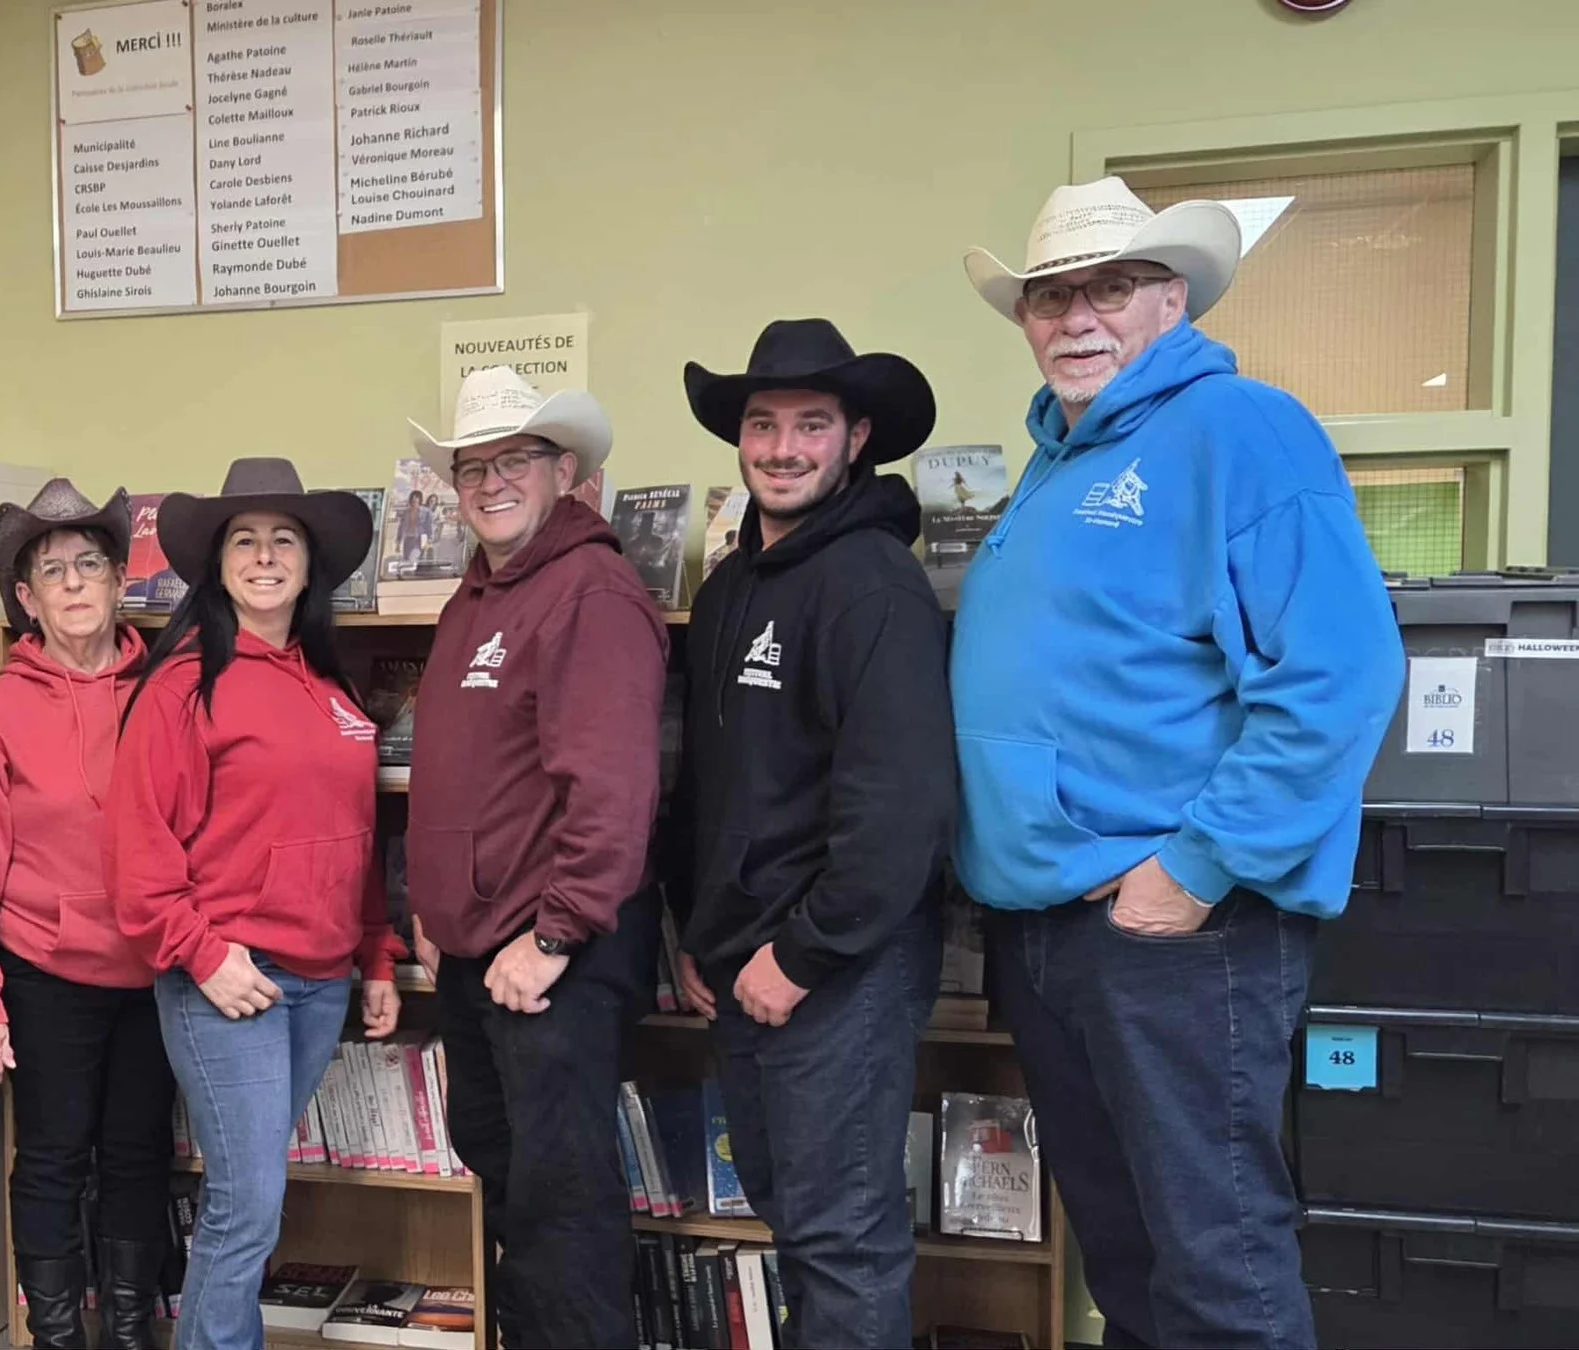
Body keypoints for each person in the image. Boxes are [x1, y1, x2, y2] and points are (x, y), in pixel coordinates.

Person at [954, 177, 1404, 1349]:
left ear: (1173, 297)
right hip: (1054, 926)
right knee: (1130, 1263)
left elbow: (1340, 674)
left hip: (1171, 931)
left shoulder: (1241, 427)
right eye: (1049, 296)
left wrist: (1195, 870)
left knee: (1218, 1271)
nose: (1075, 317)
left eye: (1109, 288)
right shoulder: (1056, 458)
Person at [667, 320, 958, 1348]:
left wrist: (801, 955)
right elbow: (710, 786)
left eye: (810, 424)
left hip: (835, 970)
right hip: (742, 963)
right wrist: (695, 931)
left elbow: (901, 805)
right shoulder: (727, 590)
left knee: (843, 1243)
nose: (782, 447)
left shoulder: (874, 584)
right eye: (763, 424)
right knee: (793, 1219)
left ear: (855, 437)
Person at [105, 458, 407, 1350]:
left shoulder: (332, 686)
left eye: (283, 541)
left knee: (253, 1199)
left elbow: (356, 835)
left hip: (320, 983)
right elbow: (137, 849)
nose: (265, 556)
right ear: (218, 565)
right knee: (246, 1207)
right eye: (244, 540)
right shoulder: (183, 685)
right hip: (230, 980)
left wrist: (376, 956)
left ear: (311, 567)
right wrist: (206, 956)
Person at [398, 365, 666, 1348]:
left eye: (516, 460)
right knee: (503, 1167)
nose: (491, 482)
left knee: (561, 1206)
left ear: (565, 472)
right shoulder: (475, 596)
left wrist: (554, 936)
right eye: (473, 467)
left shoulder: (591, 593)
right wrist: (435, 906)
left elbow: (610, 787)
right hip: (477, 952)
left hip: (551, 956)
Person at [0, 479, 173, 1350]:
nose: (73, 584)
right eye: (51, 572)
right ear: (27, 601)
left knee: (140, 1157)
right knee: (52, 1160)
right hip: (45, 974)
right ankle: (60, 1335)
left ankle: (133, 1329)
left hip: (158, 974)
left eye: (89, 565)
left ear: (120, 582)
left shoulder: (169, 691)